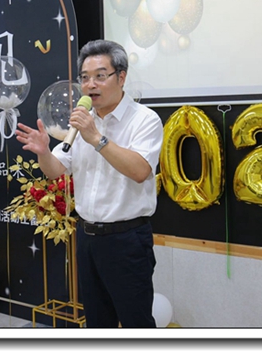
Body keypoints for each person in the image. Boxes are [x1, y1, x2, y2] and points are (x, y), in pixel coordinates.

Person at [16, 39, 164, 328]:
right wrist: (44, 152)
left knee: (136, 322)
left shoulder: (144, 120)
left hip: (127, 240)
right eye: (84, 78)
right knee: (97, 322)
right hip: (87, 239)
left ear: (121, 77)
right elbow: (56, 170)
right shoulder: (80, 123)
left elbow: (140, 171)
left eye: (100, 76)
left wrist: (96, 138)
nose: (90, 85)